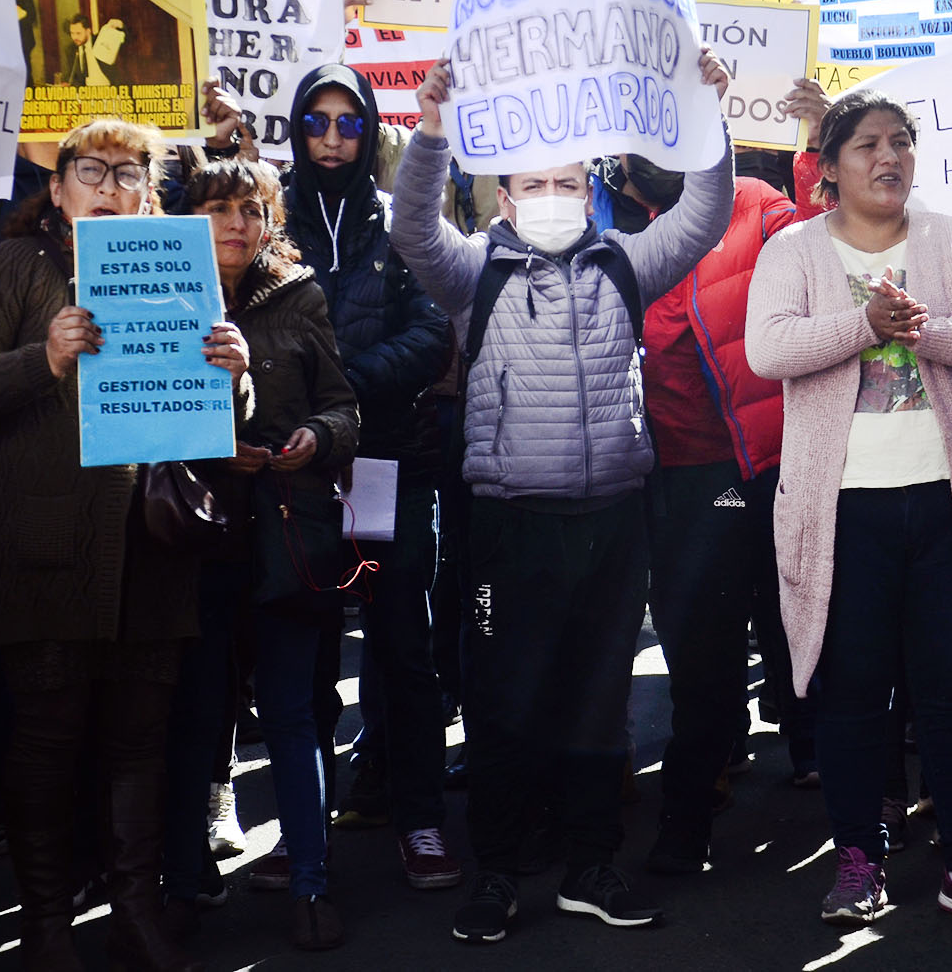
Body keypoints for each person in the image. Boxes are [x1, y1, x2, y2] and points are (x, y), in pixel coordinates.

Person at [392, 49, 735, 943]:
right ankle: (499, 872)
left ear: (589, 192)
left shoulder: (624, 264)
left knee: (598, 700)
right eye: (534, 183)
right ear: (505, 199)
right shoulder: (475, 273)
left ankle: (591, 865)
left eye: (568, 182)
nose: (552, 195)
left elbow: (705, 214)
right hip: (510, 525)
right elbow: (413, 229)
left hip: (613, 520)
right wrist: (431, 131)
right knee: (504, 704)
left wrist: (707, 114)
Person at [0, 119, 243, 972]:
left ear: (149, 192)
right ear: (58, 184)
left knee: (141, 744)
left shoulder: (179, 269)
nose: (110, 186)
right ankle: (45, 926)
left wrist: (237, 371)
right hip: (48, 552)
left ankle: (136, 914)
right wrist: (41, 358)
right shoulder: (16, 264)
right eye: (92, 170)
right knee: (46, 741)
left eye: (130, 172)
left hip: (150, 553)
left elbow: (218, 421)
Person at [744, 88, 952, 929]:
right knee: (853, 696)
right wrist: (864, 323)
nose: (889, 156)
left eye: (901, 141)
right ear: (829, 167)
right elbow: (768, 348)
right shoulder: (795, 248)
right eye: (867, 143)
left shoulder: (947, 238)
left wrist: (923, 331)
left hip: (947, 506)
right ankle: (858, 859)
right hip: (842, 514)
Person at [163, 157, 360, 949]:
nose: (236, 224)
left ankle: (311, 883)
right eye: (218, 208)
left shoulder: (299, 296)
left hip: (285, 532)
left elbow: (342, 406)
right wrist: (212, 448)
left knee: (290, 711)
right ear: (189, 219)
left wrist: (316, 436)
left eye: (250, 209)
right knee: (195, 714)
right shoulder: (157, 294)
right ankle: (180, 888)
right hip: (196, 538)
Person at [270, 64, 457, 890]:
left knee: (403, 649)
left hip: (390, 462)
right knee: (305, 661)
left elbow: (432, 334)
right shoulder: (269, 221)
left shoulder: (399, 222)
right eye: (316, 121)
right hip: (299, 472)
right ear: (296, 129)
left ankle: (421, 819)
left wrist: (342, 378)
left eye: (349, 123)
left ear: (371, 129)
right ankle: (301, 831)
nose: (333, 138)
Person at [627, 150, 807, 874]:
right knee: (701, 650)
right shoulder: (624, 238)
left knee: (801, 617)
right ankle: (687, 815)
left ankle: (833, 772)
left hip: (769, 462)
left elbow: (825, 251)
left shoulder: (756, 203)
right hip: (688, 477)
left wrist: (813, 156)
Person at [60, 13, 126, 87]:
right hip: (87, 92)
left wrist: (121, 25)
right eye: (72, 33)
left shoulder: (101, 40)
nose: (75, 37)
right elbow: (70, 75)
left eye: (78, 33)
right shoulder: (70, 50)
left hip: (110, 89)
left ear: (88, 31)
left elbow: (124, 39)